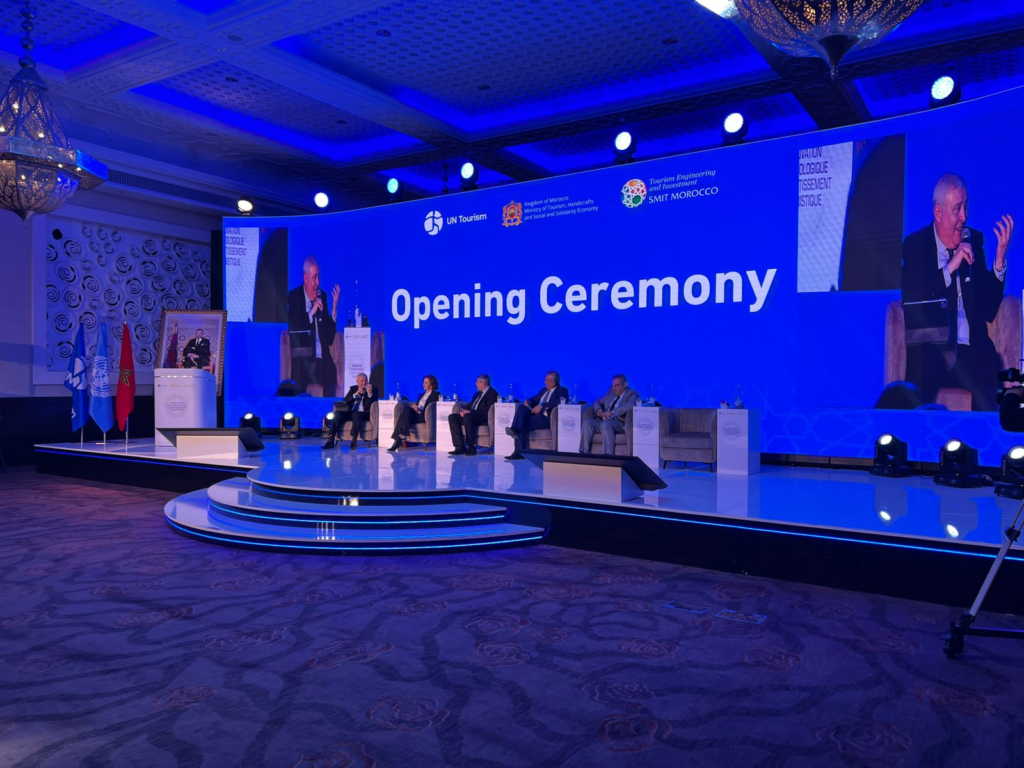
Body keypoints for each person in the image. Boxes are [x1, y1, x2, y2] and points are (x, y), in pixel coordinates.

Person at [901, 173, 1014, 410]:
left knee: (989, 377)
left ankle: (984, 433)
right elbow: (913, 296)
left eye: (965, 206)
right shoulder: (916, 245)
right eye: (957, 209)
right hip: (933, 349)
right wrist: (951, 267)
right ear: (938, 213)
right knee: (917, 386)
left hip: (971, 351)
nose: (964, 216)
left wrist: (999, 260)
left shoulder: (973, 240)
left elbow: (988, 309)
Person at [287, 255, 341, 397]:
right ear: (305, 278)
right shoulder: (294, 297)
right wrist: (312, 311)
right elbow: (295, 327)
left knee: (330, 370)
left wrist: (334, 309)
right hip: (303, 358)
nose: (318, 282)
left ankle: (329, 410)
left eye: (319, 277)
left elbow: (329, 338)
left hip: (322, 359)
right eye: (314, 277)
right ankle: (298, 409)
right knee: (299, 373)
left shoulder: (322, 296)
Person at [505, 370, 569, 459]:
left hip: (546, 418)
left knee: (521, 423)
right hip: (536, 415)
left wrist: (542, 406)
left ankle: (518, 451)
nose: (544, 382)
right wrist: (528, 401)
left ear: (553, 383)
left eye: (546, 380)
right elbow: (535, 398)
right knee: (522, 408)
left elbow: (560, 401)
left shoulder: (562, 390)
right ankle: (514, 430)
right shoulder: (544, 390)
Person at [580, 374, 639, 454]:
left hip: (619, 423)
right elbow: (596, 401)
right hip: (604, 420)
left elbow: (631, 404)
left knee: (605, 424)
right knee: (587, 423)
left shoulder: (632, 393)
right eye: (613, 386)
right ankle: (584, 454)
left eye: (617, 386)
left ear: (624, 384)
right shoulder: (611, 392)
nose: (614, 388)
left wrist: (612, 412)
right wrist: (599, 409)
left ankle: (607, 455)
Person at [323, 373, 377, 450]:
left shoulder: (373, 389)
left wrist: (369, 394)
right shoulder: (353, 389)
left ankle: (354, 440)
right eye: (361, 381)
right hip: (351, 413)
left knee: (357, 413)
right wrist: (355, 394)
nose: (364, 383)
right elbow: (345, 401)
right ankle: (331, 440)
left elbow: (374, 404)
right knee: (337, 414)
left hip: (364, 414)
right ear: (357, 381)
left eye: (365, 381)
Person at [448, 374, 498, 456]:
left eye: (477, 382)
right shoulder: (477, 394)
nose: (476, 384)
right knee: (452, 417)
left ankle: (471, 447)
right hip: (471, 415)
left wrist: (469, 412)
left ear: (483, 384)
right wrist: (463, 411)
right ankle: (460, 446)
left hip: (483, 416)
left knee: (468, 417)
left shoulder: (492, 393)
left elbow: (487, 410)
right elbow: (470, 405)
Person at [388, 375, 440, 451]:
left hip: (424, 416)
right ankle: (402, 434)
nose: (423, 384)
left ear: (431, 384)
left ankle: (398, 441)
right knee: (405, 410)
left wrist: (419, 410)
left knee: (403, 414)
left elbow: (432, 408)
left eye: (426, 383)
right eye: (423, 382)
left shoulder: (436, 395)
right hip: (416, 414)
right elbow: (418, 405)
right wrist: (414, 407)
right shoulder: (421, 395)